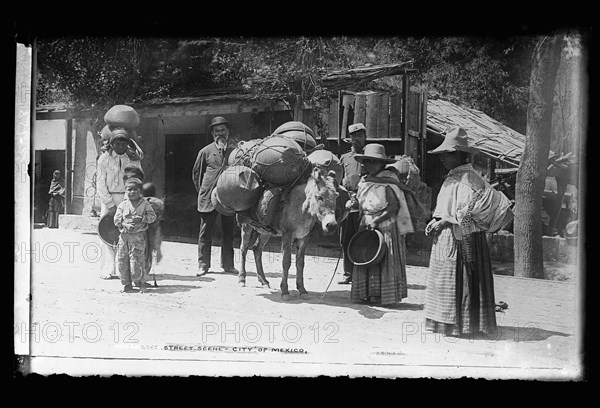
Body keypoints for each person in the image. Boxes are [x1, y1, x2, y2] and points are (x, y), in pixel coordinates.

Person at [424, 127, 513, 337]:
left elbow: (465, 215)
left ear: (461, 155)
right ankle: (446, 321)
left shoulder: (468, 180)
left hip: (462, 239)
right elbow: (448, 209)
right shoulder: (454, 178)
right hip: (447, 235)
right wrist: (436, 220)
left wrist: (444, 221)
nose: (444, 159)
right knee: (445, 279)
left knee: (460, 278)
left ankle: (461, 324)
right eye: (443, 155)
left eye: (449, 154)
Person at [347, 143, 414, 305]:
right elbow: (360, 202)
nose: (370, 165)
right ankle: (366, 292)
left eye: (374, 162)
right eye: (367, 162)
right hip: (366, 223)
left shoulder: (389, 182)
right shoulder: (364, 182)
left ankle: (381, 295)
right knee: (365, 255)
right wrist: (352, 204)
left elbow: (393, 207)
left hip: (385, 226)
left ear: (382, 163)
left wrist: (376, 221)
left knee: (383, 258)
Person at [192, 116, 238, 276]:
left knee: (228, 231)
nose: (220, 134)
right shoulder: (205, 152)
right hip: (208, 197)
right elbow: (197, 175)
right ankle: (203, 265)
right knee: (205, 231)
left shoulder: (235, 152)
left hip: (228, 198)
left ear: (228, 132)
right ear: (212, 133)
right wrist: (204, 192)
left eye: (223, 130)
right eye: (217, 131)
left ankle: (228, 265)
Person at [97, 128, 142, 280]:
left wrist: (131, 201)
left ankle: (127, 270)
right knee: (107, 233)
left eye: (123, 142)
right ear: (111, 143)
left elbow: (138, 179)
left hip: (127, 199)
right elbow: (100, 183)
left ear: (127, 143)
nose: (120, 145)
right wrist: (109, 204)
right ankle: (108, 269)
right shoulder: (104, 159)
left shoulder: (133, 159)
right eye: (117, 142)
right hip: (109, 199)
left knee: (127, 233)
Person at [114, 177, 157, 293]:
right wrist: (124, 224)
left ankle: (140, 283)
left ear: (140, 191)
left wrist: (143, 219)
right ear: (125, 191)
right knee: (123, 261)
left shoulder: (145, 204)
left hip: (138, 237)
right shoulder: (123, 205)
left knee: (137, 260)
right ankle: (126, 284)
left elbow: (153, 217)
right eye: (129, 190)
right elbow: (116, 220)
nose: (132, 192)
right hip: (124, 237)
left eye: (135, 190)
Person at [338, 123, 367, 284]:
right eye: (354, 136)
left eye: (360, 135)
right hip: (348, 204)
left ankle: (361, 272)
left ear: (365, 137)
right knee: (345, 238)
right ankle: (348, 273)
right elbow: (339, 179)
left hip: (365, 204)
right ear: (350, 139)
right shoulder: (344, 158)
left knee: (362, 238)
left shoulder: (370, 156)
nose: (357, 139)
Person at [142, 182, 165, 280]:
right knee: (150, 251)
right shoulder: (158, 203)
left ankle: (140, 273)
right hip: (153, 229)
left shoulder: (139, 202)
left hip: (141, 230)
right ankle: (145, 272)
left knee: (142, 251)